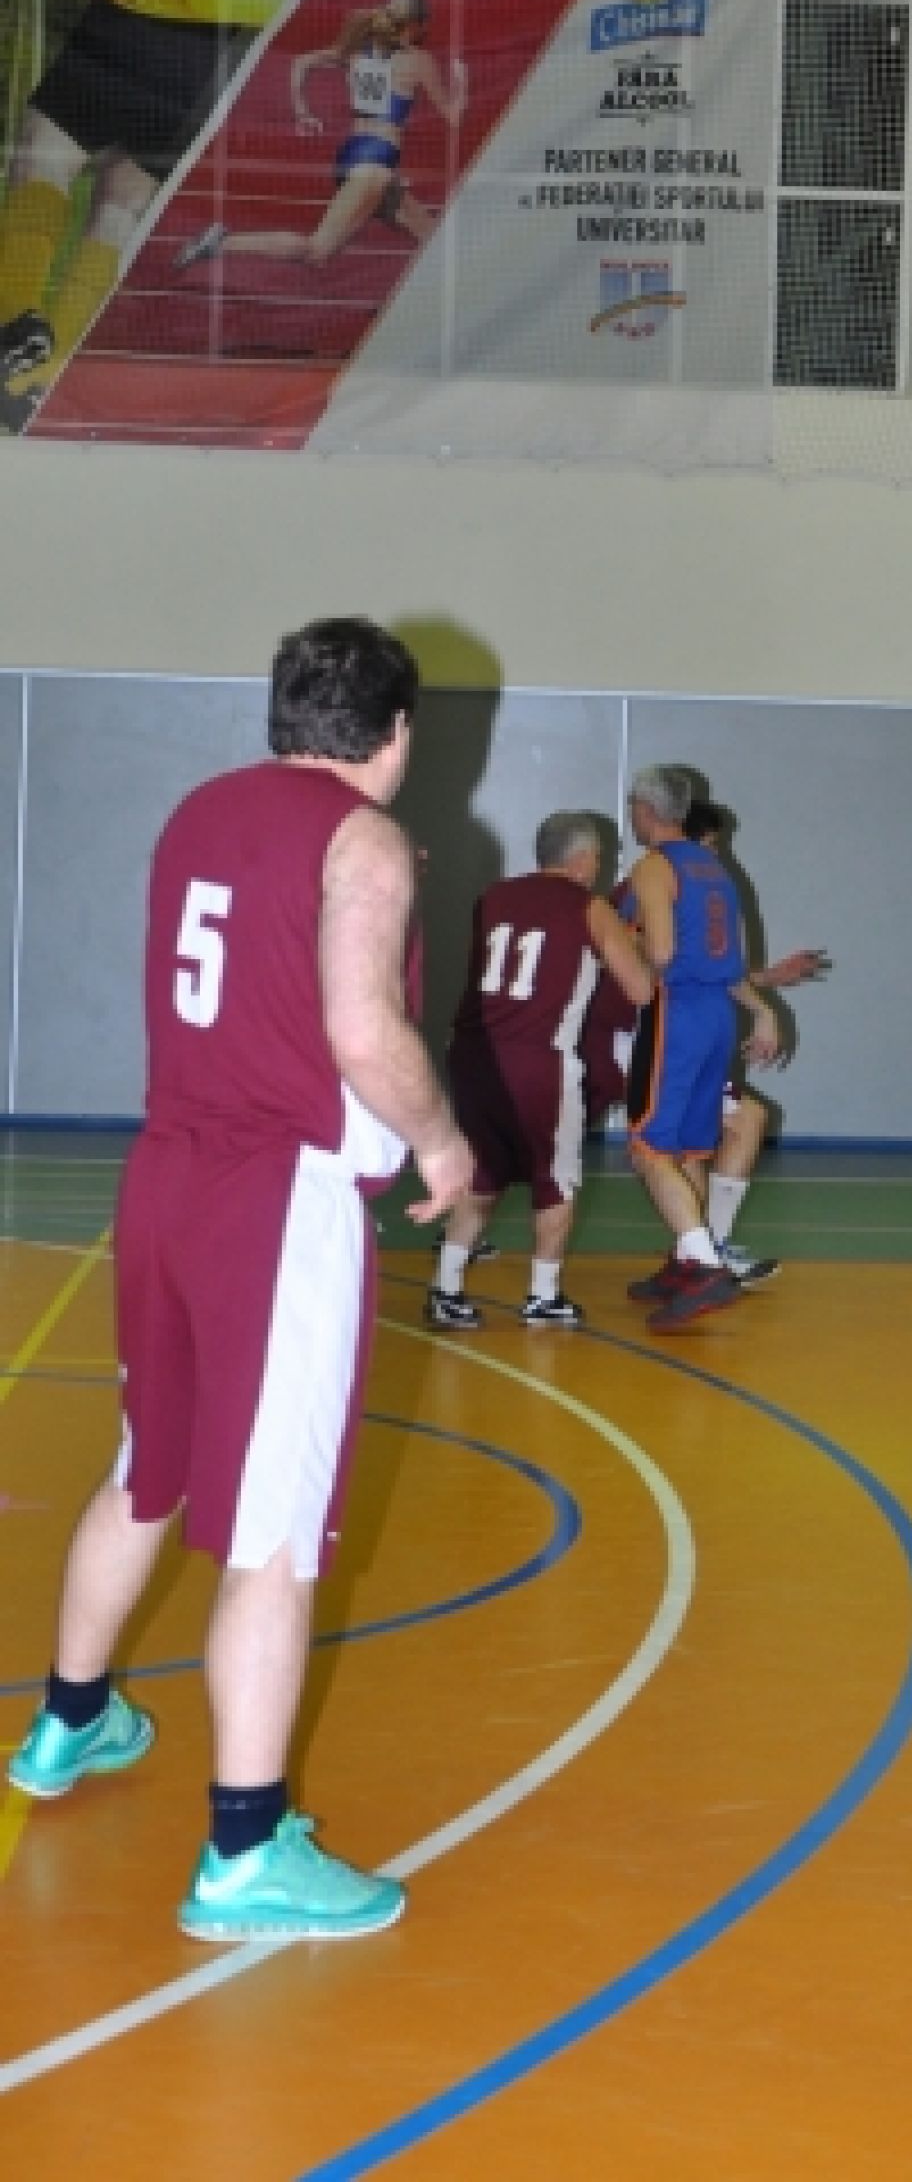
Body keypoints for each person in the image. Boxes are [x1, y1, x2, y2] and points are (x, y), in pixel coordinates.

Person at [6, 618, 472, 1944]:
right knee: (274, 1532)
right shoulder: (362, 839)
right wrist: (442, 1140)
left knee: (145, 1466)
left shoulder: (200, 810)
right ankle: (246, 1849)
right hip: (277, 1201)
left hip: (165, 1177)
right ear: (395, 731)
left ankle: (70, 1721)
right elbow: (361, 1029)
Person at [0, 0, 306, 432]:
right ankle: (41, 382)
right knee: (122, 205)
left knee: (44, 155)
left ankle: (15, 318)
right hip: (241, 30)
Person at [580, 796, 828, 1285]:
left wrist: (767, 983)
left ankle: (702, 1252)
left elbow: (701, 965)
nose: (714, 853)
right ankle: (705, 1253)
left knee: (719, 1133)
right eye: (710, 843)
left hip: (673, 1022)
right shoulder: (650, 881)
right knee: (657, 1145)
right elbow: (653, 956)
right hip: (637, 1031)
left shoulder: (685, 881)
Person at [426, 811, 654, 1332]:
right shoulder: (590, 907)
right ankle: (543, 1295)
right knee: (556, 1177)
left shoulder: (494, 896)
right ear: (582, 859)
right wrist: (636, 951)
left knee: (482, 1173)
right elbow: (640, 990)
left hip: (472, 1053)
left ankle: (445, 1289)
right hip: (538, 1057)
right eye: (598, 857)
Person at [623, 766, 782, 1331]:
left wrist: (623, 951)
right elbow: (733, 963)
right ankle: (685, 1262)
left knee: (648, 1147)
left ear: (646, 810)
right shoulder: (717, 869)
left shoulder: (653, 866)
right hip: (720, 1015)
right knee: (691, 1148)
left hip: (678, 1013)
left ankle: (707, 1266)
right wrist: (762, 1010)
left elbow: (662, 953)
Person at [174, 0, 466, 275]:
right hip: (375, 163)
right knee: (317, 251)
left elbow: (300, 62)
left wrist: (303, 112)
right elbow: (453, 116)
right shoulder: (417, 60)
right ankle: (221, 243)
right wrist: (461, 86)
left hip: (354, 157)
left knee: (433, 237)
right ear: (415, 26)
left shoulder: (356, 51)